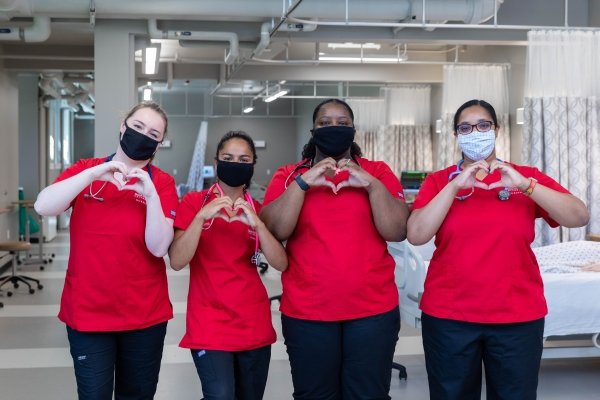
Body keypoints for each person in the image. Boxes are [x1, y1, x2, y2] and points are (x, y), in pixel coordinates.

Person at [407, 99, 590, 400]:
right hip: (449, 316)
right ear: (456, 135)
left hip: (517, 317)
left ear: (496, 130)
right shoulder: (439, 181)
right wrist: (454, 187)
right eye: (465, 127)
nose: (475, 132)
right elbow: (416, 234)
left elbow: (578, 216)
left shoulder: (524, 177)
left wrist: (526, 184)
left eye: (483, 125)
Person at [260, 98, 410, 400]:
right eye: (325, 123)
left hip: (372, 312)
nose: (334, 128)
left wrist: (369, 184)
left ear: (354, 131)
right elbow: (274, 230)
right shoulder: (289, 175)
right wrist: (304, 183)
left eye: (343, 123)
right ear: (312, 131)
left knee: (368, 395)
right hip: (308, 312)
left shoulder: (377, 172)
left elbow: (396, 230)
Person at [34, 101, 178, 400]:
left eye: (153, 133)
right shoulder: (86, 170)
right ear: (123, 127)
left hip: (144, 316)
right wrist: (93, 174)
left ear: (158, 144)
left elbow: (159, 246)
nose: (143, 136)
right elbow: (43, 206)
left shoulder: (162, 184)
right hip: (88, 315)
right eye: (137, 127)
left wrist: (149, 194)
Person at [168, 130, 288, 400]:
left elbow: (280, 263)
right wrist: (201, 218)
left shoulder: (258, 208)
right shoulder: (193, 203)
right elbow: (177, 260)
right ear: (217, 160)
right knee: (220, 394)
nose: (236, 163)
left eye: (244, 159)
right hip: (209, 321)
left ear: (253, 164)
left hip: (253, 321)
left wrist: (257, 224)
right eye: (228, 157)